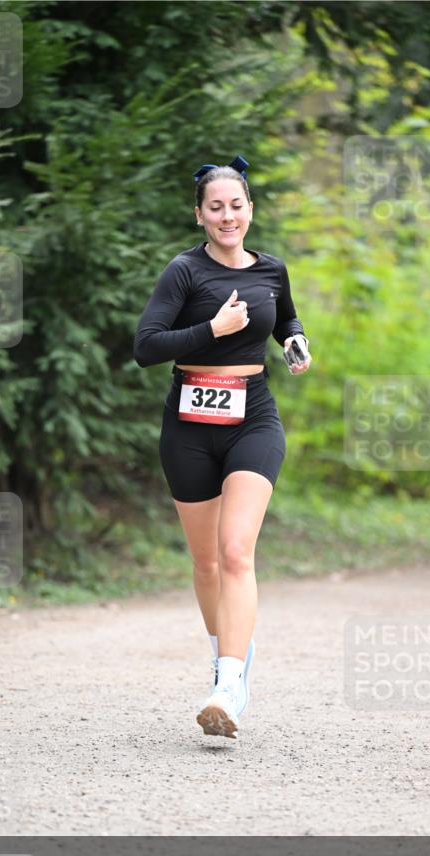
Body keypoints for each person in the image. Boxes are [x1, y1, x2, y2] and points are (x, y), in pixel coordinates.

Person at [133, 154, 311, 739]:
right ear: (200, 215)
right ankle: (225, 653)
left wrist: (295, 342)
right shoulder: (184, 272)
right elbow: (147, 346)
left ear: (250, 210)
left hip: (252, 418)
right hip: (188, 424)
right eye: (216, 207)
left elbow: (285, 319)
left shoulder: (271, 269)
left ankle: (229, 684)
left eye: (237, 205)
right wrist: (212, 329)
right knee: (206, 562)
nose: (227, 215)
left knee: (237, 552)